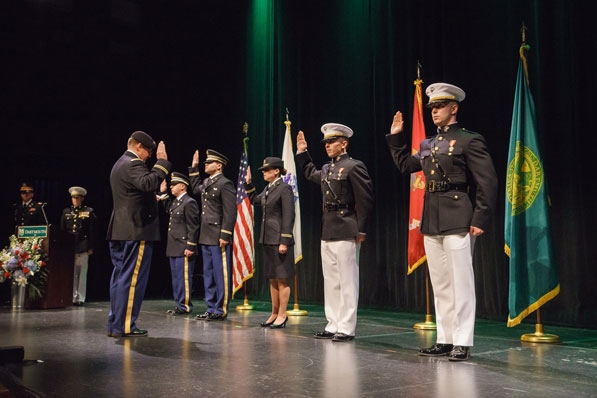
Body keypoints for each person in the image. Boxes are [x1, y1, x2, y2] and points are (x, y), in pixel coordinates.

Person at [386, 82, 498, 361]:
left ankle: (462, 340)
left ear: (453, 108)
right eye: (432, 107)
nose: (434, 112)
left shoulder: (469, 140)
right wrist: (396, 137)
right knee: (441, 283)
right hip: (432, 217)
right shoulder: (429, 144)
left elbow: (488, 181)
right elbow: (405, 167)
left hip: (459, 215)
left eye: (439, 107)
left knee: (461, 281)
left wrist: (480, 216)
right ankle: (445, 338)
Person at [296, 123, 373, 342]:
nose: (327, 146)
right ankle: (333, 323)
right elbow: (311, 174)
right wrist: (303, 153)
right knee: (331, 281)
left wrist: (361, 229)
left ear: (344, 143)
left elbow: (365, 200)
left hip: (347, 227)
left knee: (347, 280)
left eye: (331, 142)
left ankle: (347, 327)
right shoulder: (328, 169)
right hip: (328, 228)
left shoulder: (353, 166)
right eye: (326, 143)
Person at [106, 130, 172, 337]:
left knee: (119, 278)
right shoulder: (133, 163)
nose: (150, 156)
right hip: (137, 229)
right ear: (138, 147)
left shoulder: (119, 163)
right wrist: (162, 163)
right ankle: (125, 325)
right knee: (132, 279)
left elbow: (133, 195)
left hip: (121, 229)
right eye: (149, 151)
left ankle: (115, 323)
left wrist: (153, 200)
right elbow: (148, 183)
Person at [244, 157, 295, 329]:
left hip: (279, 240)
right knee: (273, 279)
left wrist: (284, 241)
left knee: (282, 279)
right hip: (267, 239)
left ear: (277, 171)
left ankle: (282, 314)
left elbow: (289, 215)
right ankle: (274, 313)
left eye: (267, 170)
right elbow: (255, 201)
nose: (264, 173)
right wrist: (248, 184)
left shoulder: (284, 188)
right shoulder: (269, 188)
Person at [188, 149, 236, 321]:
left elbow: (230, 212)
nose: (205, 164)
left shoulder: (225, 184)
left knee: (220, 273)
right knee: (208, 272)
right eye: (205, 162)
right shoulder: (208, 181)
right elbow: (195, 189)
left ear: (219, 165)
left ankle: (220, 308)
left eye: (209, 162)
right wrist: (193, 168)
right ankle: (210, 307)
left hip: (218, 235)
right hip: (206, 234)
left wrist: (225, 233)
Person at [158, 172, 200, 315]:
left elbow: (193, 226)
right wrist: (163, 193)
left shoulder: (189, 202)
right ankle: (179, 304)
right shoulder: (177, 202)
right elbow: (169, 209)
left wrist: (190, 245)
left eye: (174, 185)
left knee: (184, 278)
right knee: (176, 277)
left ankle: (185, 305)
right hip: (174, 245)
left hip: (183, 246)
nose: (171, 187)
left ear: (182, 186)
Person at [60, 186, 97, 306]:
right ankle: (71, 296)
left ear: (82, 198)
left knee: (82, 273)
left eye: (77, 198)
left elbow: (92, 231)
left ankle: (80, 297)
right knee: (71, 273)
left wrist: (91, 246)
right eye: (73, 198)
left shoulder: (88, 211)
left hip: (83, 245)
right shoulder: (66, 212)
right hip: (70, 246)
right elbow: (63, 230)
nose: (75, 200)